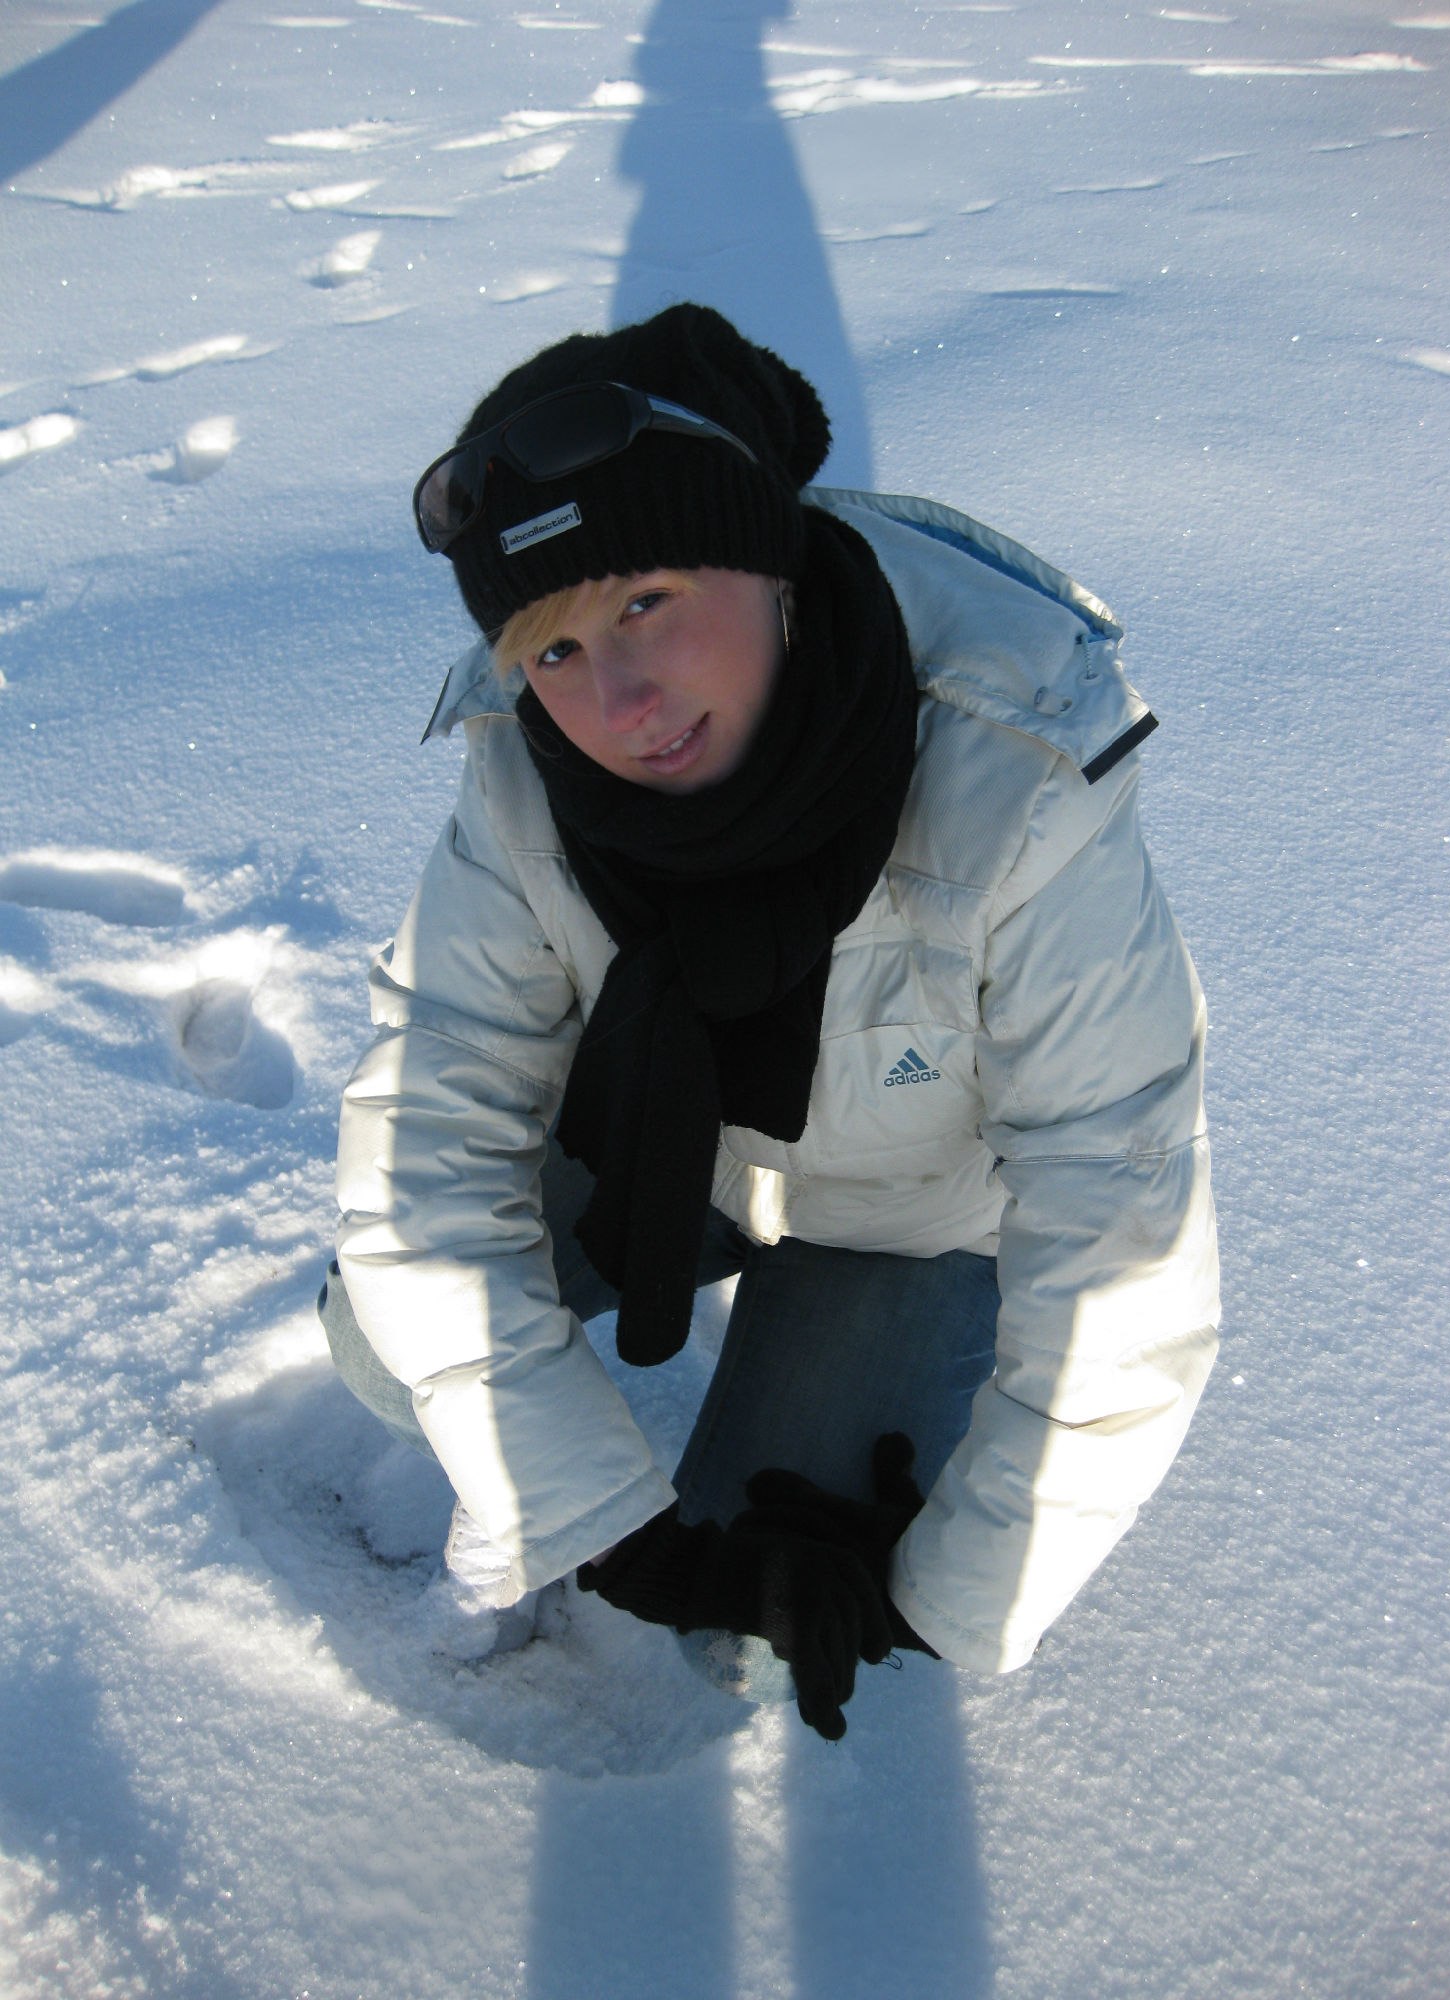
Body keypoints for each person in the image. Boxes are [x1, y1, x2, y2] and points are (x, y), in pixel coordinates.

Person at [322, 302, 1221, 1740]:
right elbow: (430, 1131)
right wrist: (593, 1517)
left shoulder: (1021, 777)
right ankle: (530, 1480)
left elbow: (1122, 1236)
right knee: (379, 1338)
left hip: (908, 1225)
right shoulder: (520, 767)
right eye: (551, 649)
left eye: (645, 602)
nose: (618, 700)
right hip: (664, 1154)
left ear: (770, 562)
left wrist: (943, 1599)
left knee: (752, 1646)